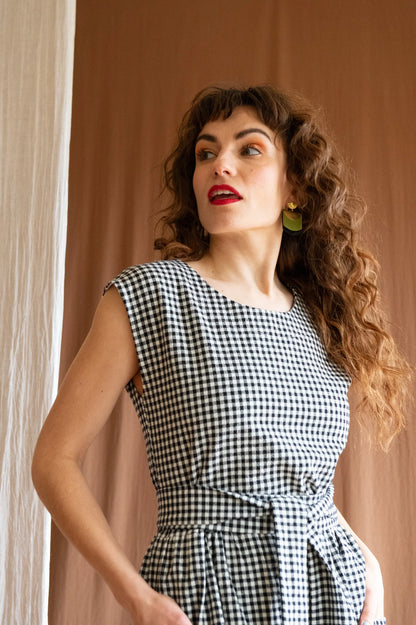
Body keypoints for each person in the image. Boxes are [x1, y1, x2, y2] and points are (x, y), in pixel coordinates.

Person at [32, 85, 411, 625]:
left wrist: (367, 562)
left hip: (333, 589)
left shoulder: (318, 318)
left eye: (248, 149)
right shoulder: (153, 296)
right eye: (206, 153)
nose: (220, 165)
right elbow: (53, 461)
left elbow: (297, 483)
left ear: (295, 188)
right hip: (208, 589)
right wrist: (136, 597)